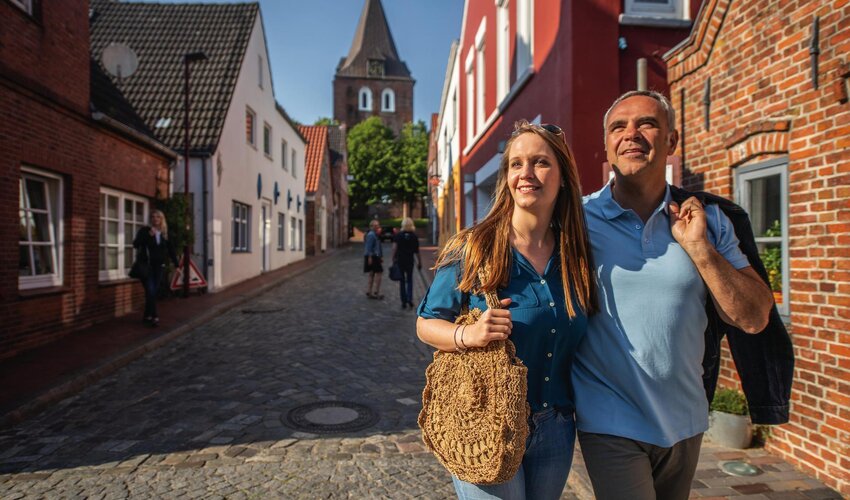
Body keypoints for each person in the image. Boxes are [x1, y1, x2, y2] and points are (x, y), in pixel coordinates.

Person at [572, 90, 774, 500]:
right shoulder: (575, 220)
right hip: (609, 418)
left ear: (672, 141)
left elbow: (753, 317)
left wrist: (700, 249)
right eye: (618, 127)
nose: (631, 134)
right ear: (606, 146)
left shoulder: (710, 220)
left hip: (686, 418)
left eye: (646, 123)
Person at [417, 120, 597, 499]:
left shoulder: (576, 255)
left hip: (556, 428)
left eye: (540, 162)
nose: (526, 174)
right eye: (516, 164)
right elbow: (426, 323)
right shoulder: (475, 247)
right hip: (485, 418)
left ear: (563, 176)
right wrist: (469, 334)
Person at [133, 209, 179, 327]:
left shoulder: (165, 233)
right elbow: (136, 244)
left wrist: (177, 264)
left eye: (158, 217)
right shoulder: (145, 231)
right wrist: (149, 235)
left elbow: (171, 250)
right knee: (151, 290)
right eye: (153, 217)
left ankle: (147, 316)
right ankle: (154, 316)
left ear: (161, 219)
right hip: (146, 266)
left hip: (159, 267)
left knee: (152, 292)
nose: (155, 219)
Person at [391, 217, 421, 309]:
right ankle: (410, 299)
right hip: (410, 261)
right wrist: (420, 262)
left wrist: (393, 258)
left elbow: (394, 248)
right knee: (410, 280)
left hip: (400, 260)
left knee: (402, 281)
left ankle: (403, 301)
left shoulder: (398, 235)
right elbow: (417, 251)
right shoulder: (414, 236)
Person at [363, 219, 384, 299]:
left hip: (375, 256)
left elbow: (377, 247)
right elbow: (369, 247)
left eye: (377, 225)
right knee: (379, 273)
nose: (377, 227)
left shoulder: (375, 234)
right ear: (371, 226)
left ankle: (369, 291)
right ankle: (376, 292)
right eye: (375, 225)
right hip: (373, 257)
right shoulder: (371, 235)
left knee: (371, 273)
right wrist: (370, 257)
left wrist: (380, 256)